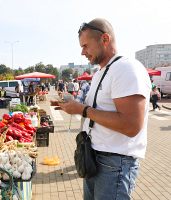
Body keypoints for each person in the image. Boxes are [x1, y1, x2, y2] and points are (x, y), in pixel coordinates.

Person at [51, 18, 151, 200]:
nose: (83, 52)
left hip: (114, 164)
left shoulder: (126, 69)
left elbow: (131, 125)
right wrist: (71, 104)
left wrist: (82, 110)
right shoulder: (101, 72)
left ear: (105, 39)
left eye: (86, 46)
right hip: (94, 158)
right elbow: (96, 108)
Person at [76, 66, 100, 131]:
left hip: (101, 119)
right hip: (86, 117)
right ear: (92, 77)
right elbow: (78, 103)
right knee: (83, 137)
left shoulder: (106, 87)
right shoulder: (86, 87)